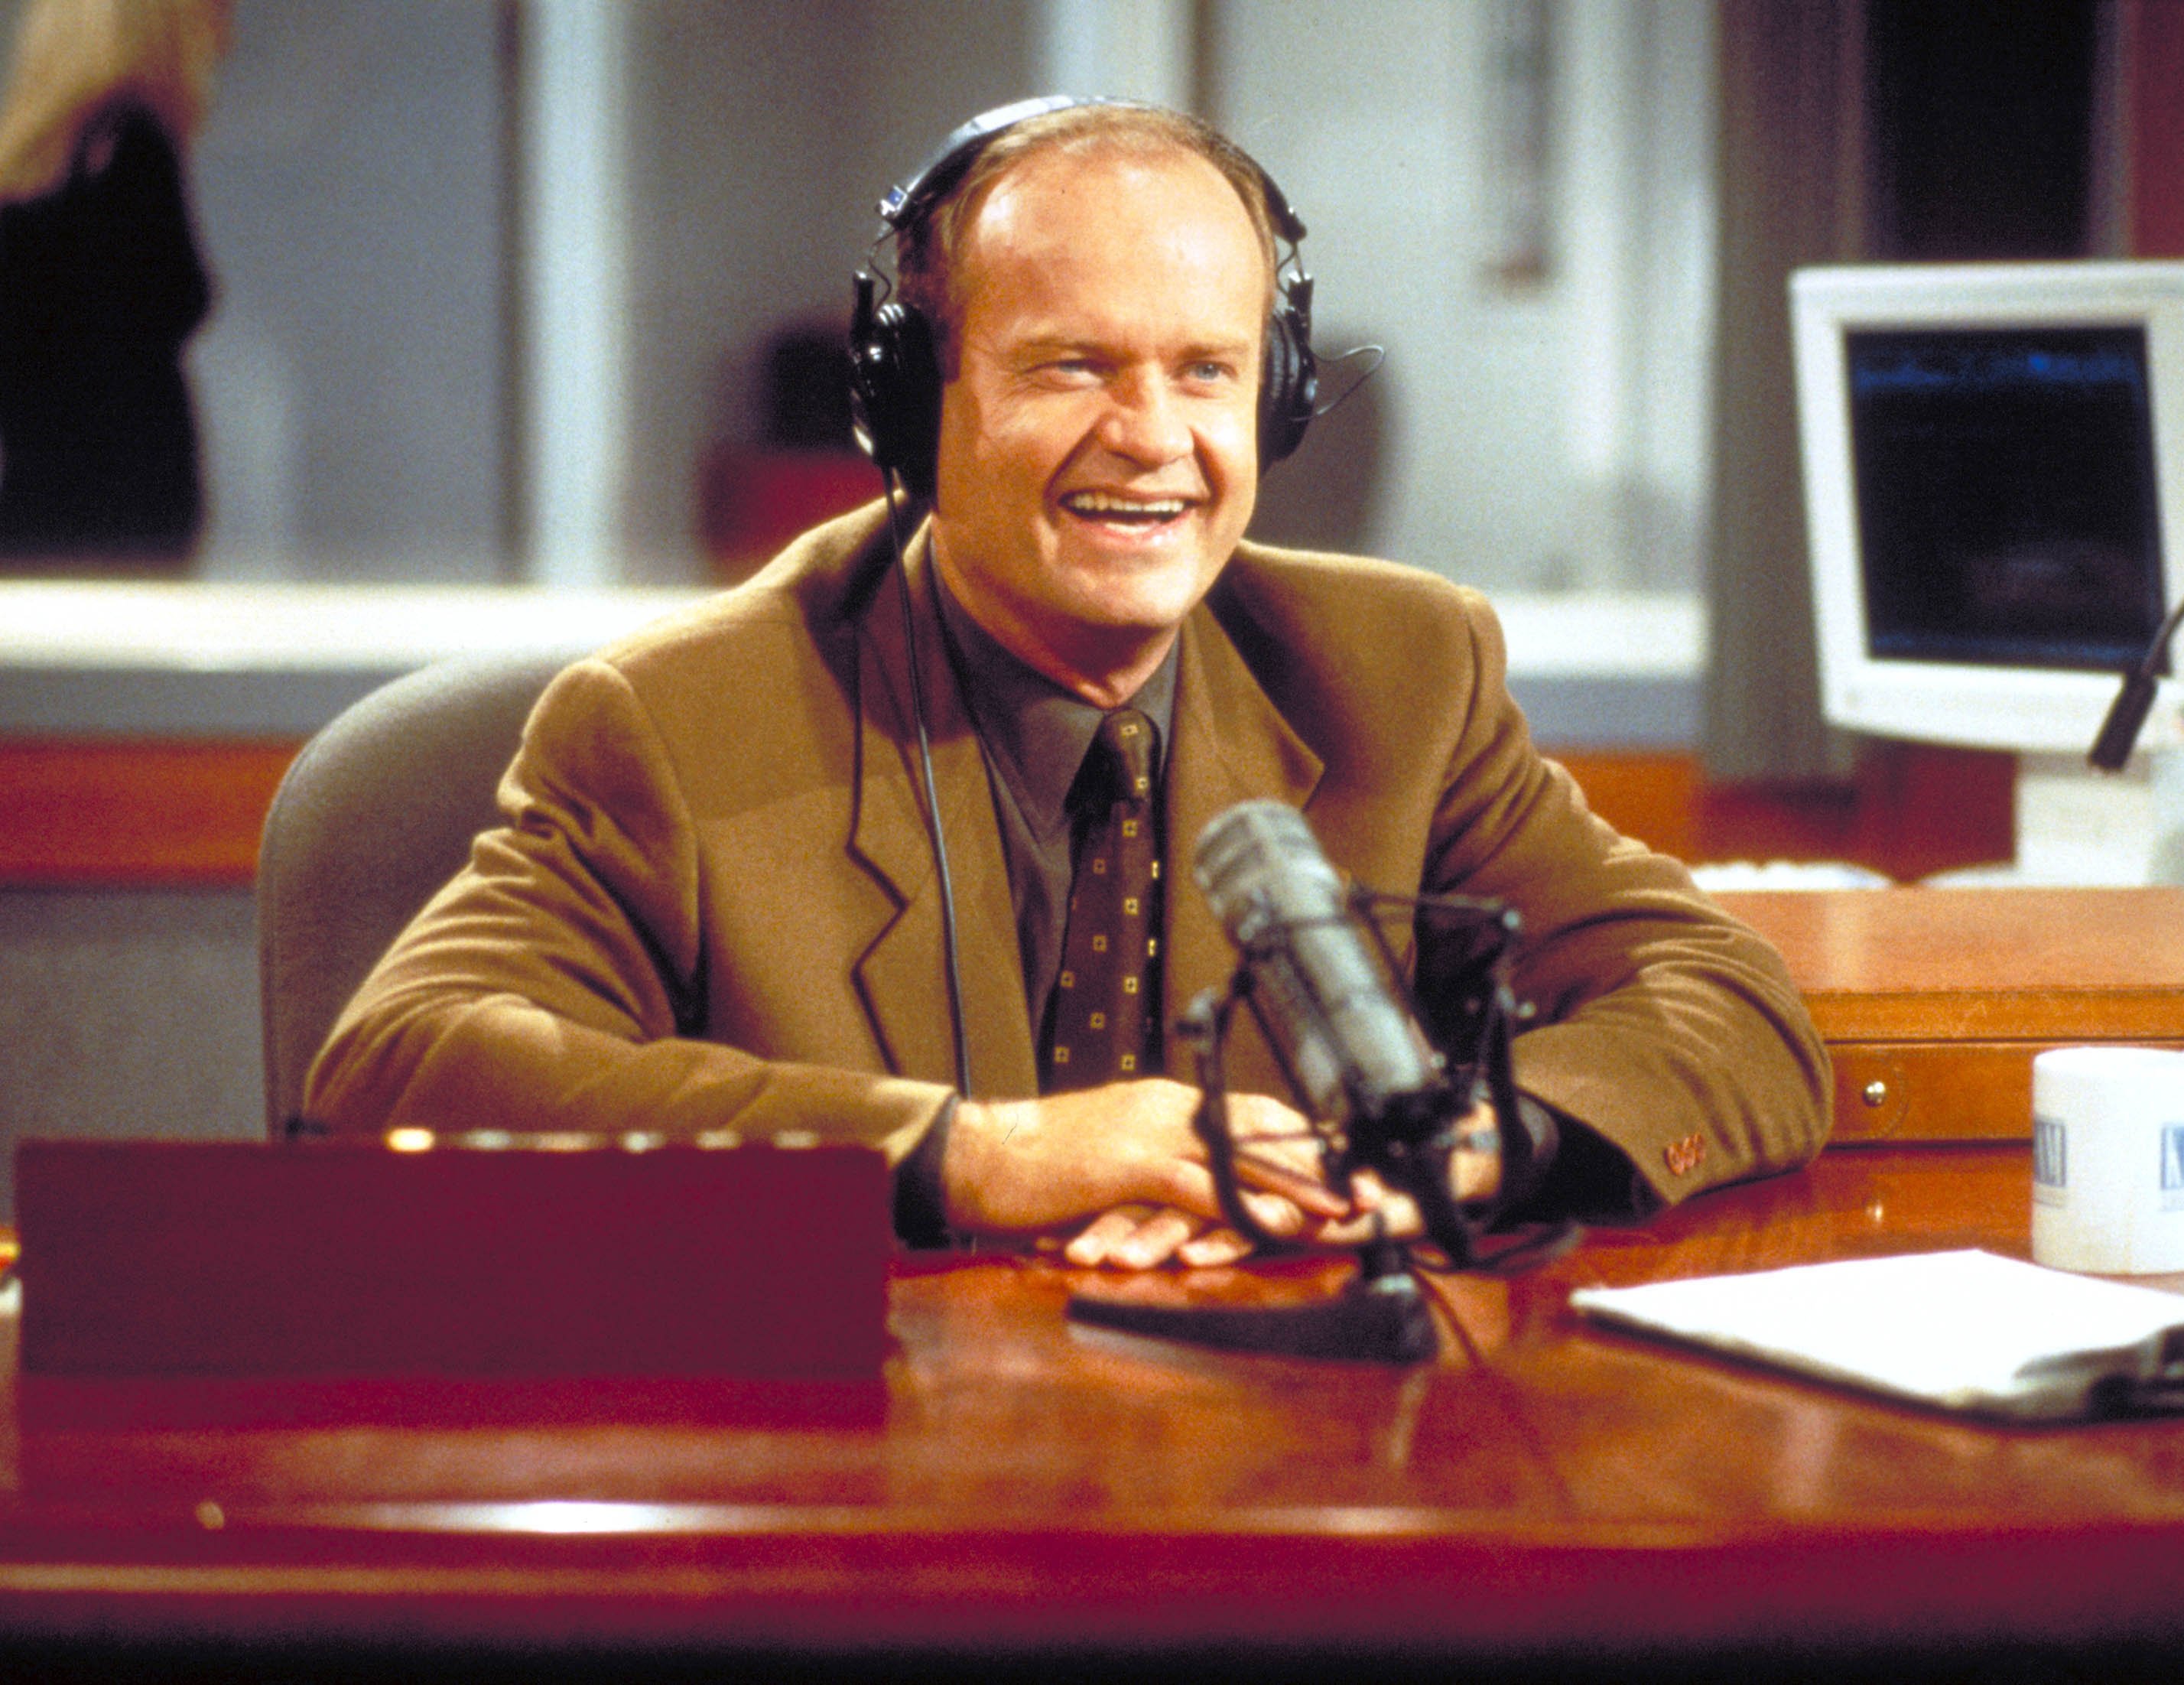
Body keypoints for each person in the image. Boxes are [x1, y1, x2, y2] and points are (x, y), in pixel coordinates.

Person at [305, 100, 1830, 1270]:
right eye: (1072, 366)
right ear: (919, 403)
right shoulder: (678, 720)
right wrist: (975, 1156)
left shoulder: (1401, 674)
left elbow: (1725, 1003)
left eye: (1206, 369)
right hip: (855, 1505)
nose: (1152, 435)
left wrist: (1473, 1145)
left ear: (1276, 396)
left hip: (1261, 1490)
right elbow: (396, 1067)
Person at [0, 0, 229, 571]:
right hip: (125, 517)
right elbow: (173, 296)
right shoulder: (129, 142)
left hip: (39, 505)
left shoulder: (27, 175)